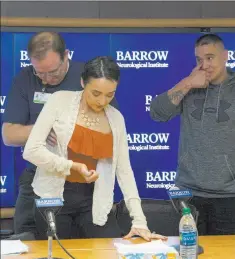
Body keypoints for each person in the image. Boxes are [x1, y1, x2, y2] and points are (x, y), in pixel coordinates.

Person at [22, 55, 167, 241]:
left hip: (95, 202)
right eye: (96, 93)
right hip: (53, 199)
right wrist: (72, 166)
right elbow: (32, 150)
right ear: (83, 82)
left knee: (108, 257)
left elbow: (124, 172)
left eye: (110, 94)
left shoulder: (116, 119)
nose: (102, 101)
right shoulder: (59, 101)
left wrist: (139, 221)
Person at [1, 31, 119, 237]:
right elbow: (9, 135)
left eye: (53, 72)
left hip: (83, 184)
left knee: (88, 251)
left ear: (66, 56)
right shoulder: (24, 79)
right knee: (27, 246)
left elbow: (109, 130)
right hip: (38, 177)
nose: (46, 79)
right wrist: (42, 129)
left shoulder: (90, 77)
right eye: (40, 73)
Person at [150, 34, 235, 235]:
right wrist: (187, 83)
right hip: (187, 193)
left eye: (210, 58)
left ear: (225, 56)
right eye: (199, 59)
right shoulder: (189, 89)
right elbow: (157, 113)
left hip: (230, 196)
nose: (205, 65)